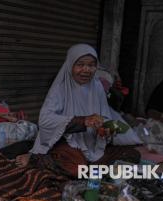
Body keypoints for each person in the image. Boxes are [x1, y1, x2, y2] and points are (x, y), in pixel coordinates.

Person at [15, 43, 142, 177]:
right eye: (80, 64)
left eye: (91, 65)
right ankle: (37, 160)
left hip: (92, 143)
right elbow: (45, 120)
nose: (86, 70)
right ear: (70, 65)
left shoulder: (97, 86)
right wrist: (83, 121)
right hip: (67, 141)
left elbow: (104, 116)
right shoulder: (61, 88)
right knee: (75, 169)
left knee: (132, 155)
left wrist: (105, 128)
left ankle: (91, 170)